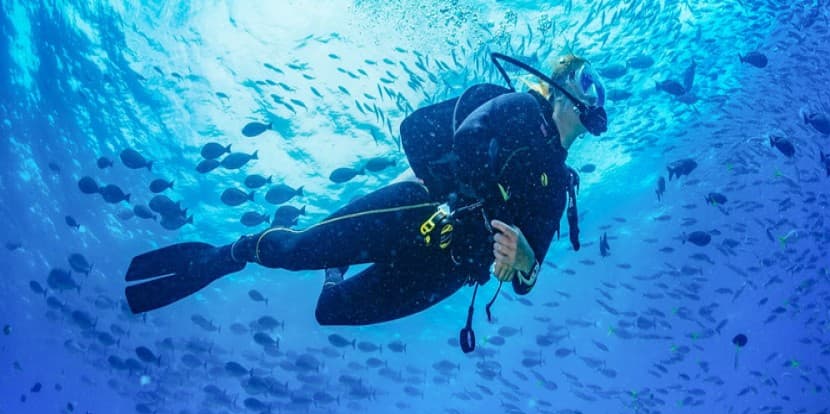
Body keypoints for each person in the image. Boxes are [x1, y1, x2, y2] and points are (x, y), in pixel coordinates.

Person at [124, 53, 607, 349]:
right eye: (589, 83)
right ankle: (228, 254)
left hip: (450, 270)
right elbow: (469, 135)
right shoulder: (522, 108)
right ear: (561, 87)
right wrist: (480, 209)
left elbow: (529, 276)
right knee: (293, 252)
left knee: (330, 311)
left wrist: (522, 261)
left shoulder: (558, 186)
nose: (596, 97)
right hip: (419, 210)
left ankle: (334, 269)